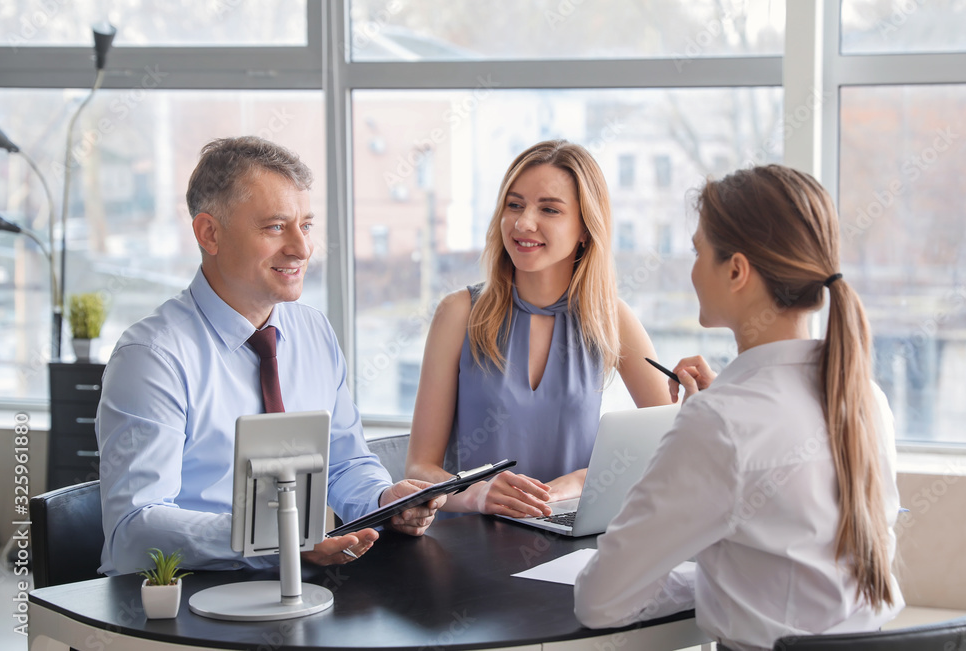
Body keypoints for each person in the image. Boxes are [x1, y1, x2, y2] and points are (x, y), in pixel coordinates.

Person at [573, 164, 904, 650]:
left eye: (697, 251)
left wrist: (704, 430)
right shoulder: (865, 398)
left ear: (735, 270)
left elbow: (600, 601)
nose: (690, 269)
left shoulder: (719, 424)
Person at [97, 136, 443, 576]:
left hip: (297, 587)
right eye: (276, 227)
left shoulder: (313, 330)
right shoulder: (152, 358)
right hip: (186, 600)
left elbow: (344, 462)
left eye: (307, 225)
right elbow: (135, 528)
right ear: (210, 233)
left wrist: (382, 500)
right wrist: (275, 540)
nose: (301, 248)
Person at [405, 140, 672, 519]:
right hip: (470, 544)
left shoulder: (611, 318)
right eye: (514, 205)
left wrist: (583, 480)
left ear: (584, 228)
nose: (523, 222)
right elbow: (419, 469)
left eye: (549, 209)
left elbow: (672, 443)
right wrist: (477, 494)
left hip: (573, 540)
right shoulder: (458, 314)